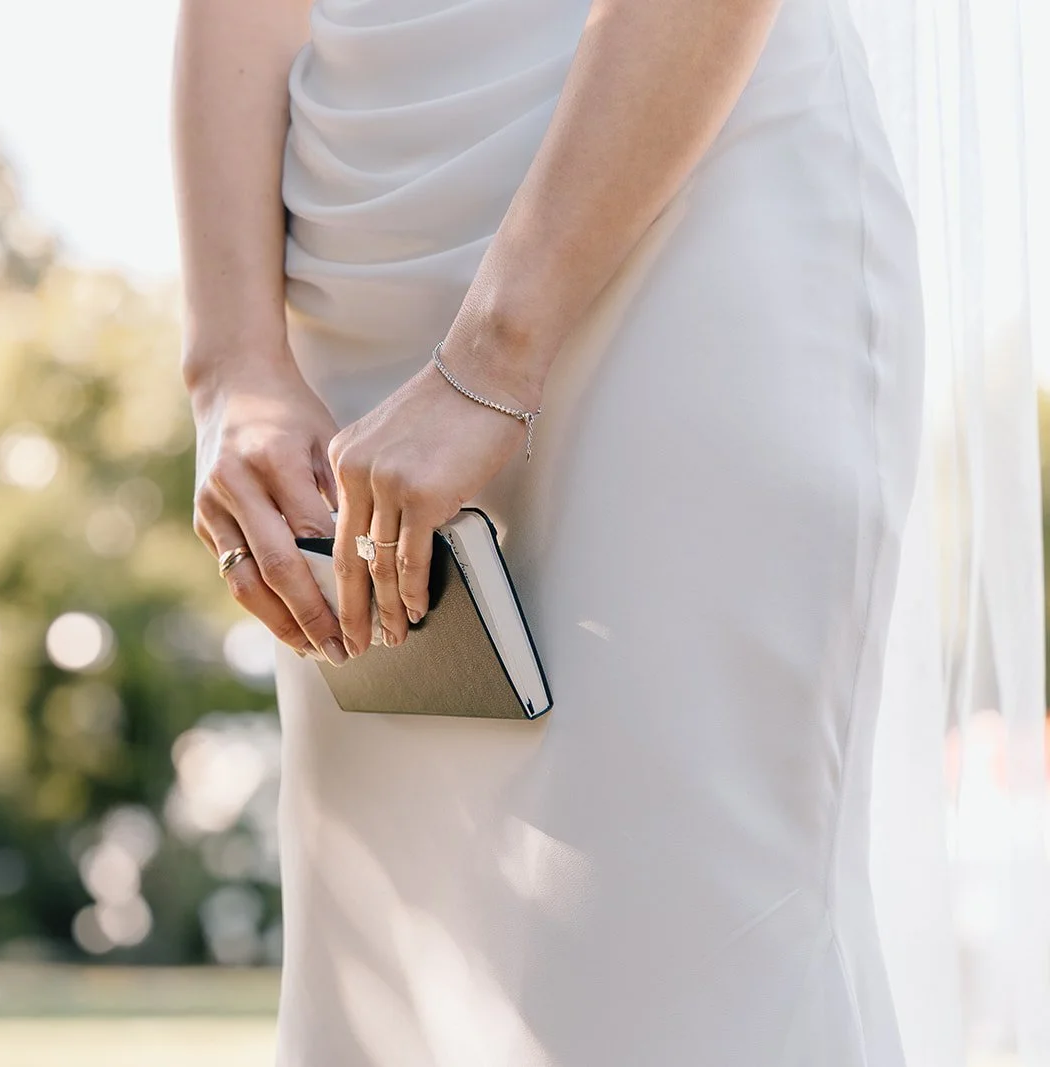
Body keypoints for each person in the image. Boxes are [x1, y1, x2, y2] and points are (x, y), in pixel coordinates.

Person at [171, 0, 1045, 1063]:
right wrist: (233, 365)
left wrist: (492, 360)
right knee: (400, 979)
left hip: (675, 168)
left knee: (683, 927)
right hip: (350, 235)